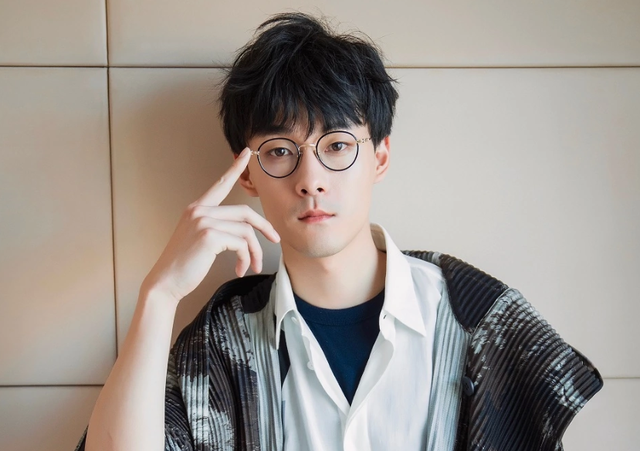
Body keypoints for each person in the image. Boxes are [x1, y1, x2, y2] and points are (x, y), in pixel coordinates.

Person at [76, 12, 602, 451]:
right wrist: (160, 294)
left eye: (337, 146)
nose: (311, 180)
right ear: (248, 175)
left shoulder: (479, 320)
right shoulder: (222, 341)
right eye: (279, 151)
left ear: (380, 157)